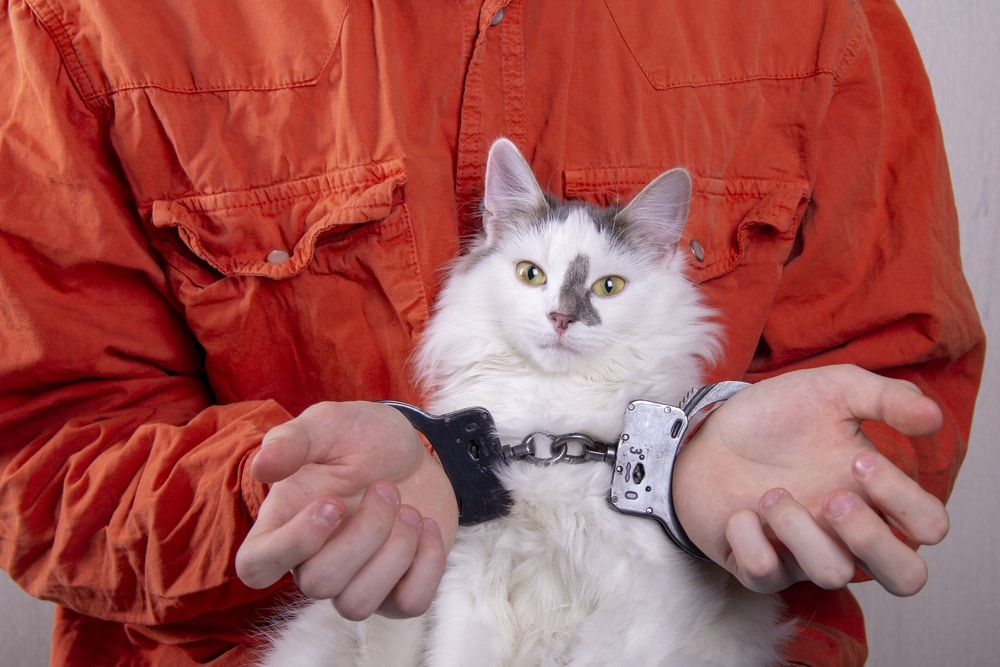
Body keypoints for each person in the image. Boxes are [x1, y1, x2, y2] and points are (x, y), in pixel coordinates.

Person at [0, 1, 984, 665]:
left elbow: (900, 380)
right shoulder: (87, 19)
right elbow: (42, 446)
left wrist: (694, 465)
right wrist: (300, 501)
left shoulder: (816, 16)